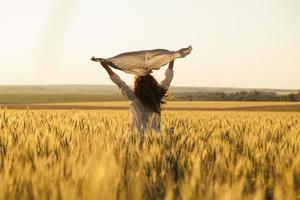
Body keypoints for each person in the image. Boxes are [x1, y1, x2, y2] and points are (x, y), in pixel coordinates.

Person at [99, 60, 174, 135]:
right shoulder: (158, 95)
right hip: (155, 136)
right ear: (152, 82)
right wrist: (172, 59)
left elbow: (119, 83)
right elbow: (168, 80)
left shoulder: (133, 96)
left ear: (137, 84)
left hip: (136, 136)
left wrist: (106, 67)